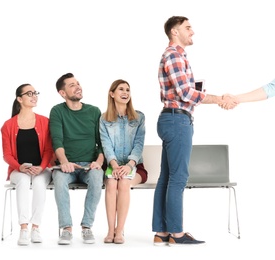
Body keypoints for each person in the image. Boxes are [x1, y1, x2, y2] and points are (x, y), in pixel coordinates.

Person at [152, 16, 237, 246]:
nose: (193, 32)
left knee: (167, 177)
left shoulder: (176, 56)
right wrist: (218, 99)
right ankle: (177, 234)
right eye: (188, 28)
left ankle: (161, 233)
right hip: (177, 121)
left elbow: (184, 91)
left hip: (173, 119)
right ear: (174, 31)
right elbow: (185, 94)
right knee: (178, 178)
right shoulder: (173, 55)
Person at [49, 72, 104, 245]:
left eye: (78, 83)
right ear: (62, 93)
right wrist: (64, 162)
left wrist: (99, 162)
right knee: (59, 179)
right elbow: (57, 140)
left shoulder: (94, 111)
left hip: (89, 164)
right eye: (72, 85)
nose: (78, 86)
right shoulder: (57, 111)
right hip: (67, 165)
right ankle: (66, 228)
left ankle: (87, 226)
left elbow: (102, 143)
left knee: (97, 176)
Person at [1, 84, 53, 246]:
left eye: (35, 93)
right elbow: (7, 155)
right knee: (23, 181)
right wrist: (19, 167)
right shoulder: (8, 125)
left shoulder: (45, 122)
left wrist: (42, 167)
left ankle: (35, 227)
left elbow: (48, 150)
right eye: (29, 93)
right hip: (19, 170)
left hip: (42, 169)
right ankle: (23, 228)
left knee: (38, 182)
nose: (34, 96)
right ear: (19, 99)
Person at [99, 79, 148, 244]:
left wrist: (129, 165)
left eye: (127, 89)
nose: (125, 92)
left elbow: (139, 144)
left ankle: (120, 231)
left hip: (134, 166)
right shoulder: (104, 119)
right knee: (112, 184)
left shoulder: (139, 117)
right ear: (112, 94)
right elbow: (106, 145)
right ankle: (110, 230)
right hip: (113, 165)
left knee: (124, 184)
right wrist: (113, 165)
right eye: (121, 89)